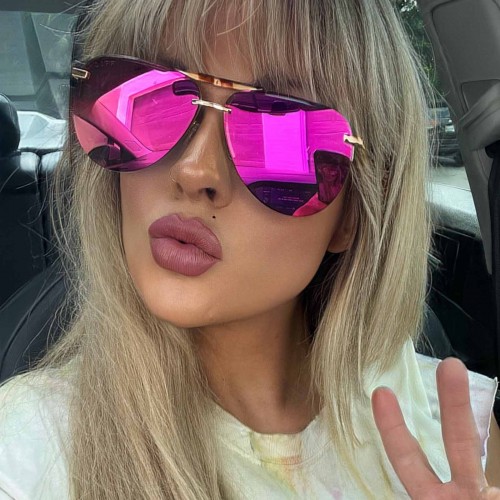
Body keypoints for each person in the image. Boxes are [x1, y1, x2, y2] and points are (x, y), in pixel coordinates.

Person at [0, 0, 499, 498]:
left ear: (352, 214)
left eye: (282, 132)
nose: (194, 171)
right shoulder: (28, 452)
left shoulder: (459, 435)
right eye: (150, 100)